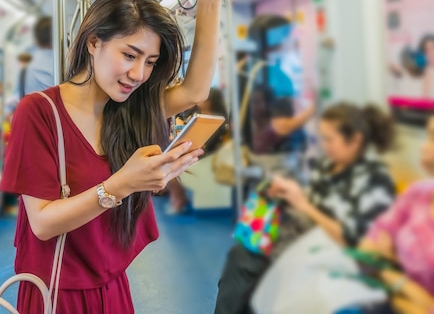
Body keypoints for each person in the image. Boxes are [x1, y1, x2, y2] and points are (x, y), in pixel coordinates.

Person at [0, 0, 234, 313]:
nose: (139, 73)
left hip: (113, 288)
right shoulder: (39, 112)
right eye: (129, 54)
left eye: (150, 62)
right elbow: (42, 223)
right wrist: (122, 184)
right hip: (56, 293)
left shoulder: (130, 108)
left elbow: (193, 90)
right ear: (94, 43)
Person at [214, 102, 398, 314]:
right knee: (240, 258)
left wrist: (303, 204)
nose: (324, 146)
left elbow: (356, 240)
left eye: (330, 139)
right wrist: (286, 194)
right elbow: (311, 203)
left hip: (338, 253)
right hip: (302, 238)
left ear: (355, 140)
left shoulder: (375, 180)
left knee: (245, 267)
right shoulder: (326, 166)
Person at [357, 114, 434, 314]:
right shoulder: (419, 193)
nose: (423, 146)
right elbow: (368, 247)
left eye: (433, 138)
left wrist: (388, 270)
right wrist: (404, 285)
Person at [168, 88, 229, 214]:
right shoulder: (206, 119)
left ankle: (179, 200)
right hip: (203, 155)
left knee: (169, 168)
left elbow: (209, 146)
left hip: (207, 158)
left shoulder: (211, 121)